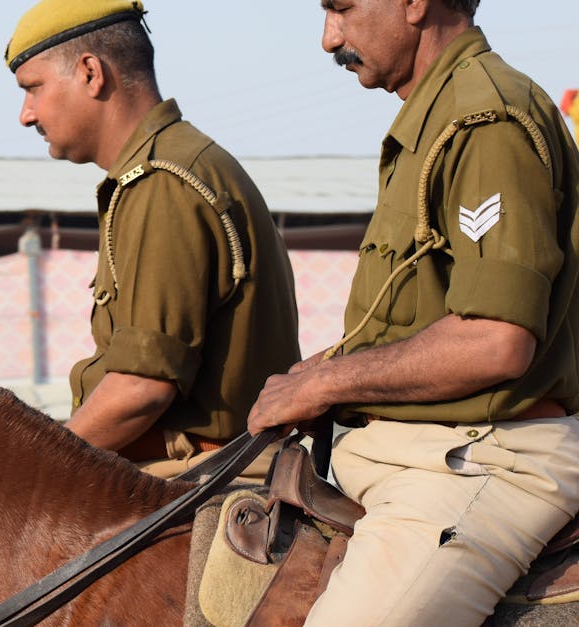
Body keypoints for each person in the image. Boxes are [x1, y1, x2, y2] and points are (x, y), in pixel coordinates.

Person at [248, 0, 579, 624]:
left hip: (484, 460)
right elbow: (413, 326)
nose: (328, 38)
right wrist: (309, 375)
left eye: (341, 8)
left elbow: (496, 340)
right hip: (409, 452)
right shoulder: (432, 119)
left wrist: (325, 381)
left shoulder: (485, 118)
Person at [6, 0, 301, 479]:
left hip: (202, 478)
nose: (26, 114)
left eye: (33, 89)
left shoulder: (162, 180)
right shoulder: (172, 163)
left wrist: (33, 471)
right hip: (199, 469)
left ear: (90, 73)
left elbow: (141, 388)